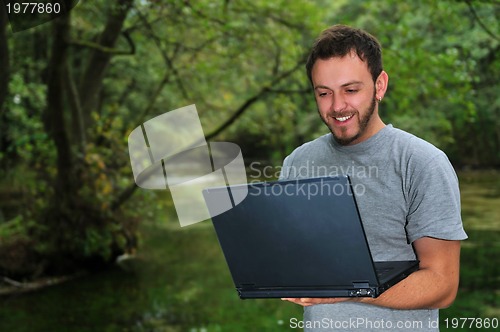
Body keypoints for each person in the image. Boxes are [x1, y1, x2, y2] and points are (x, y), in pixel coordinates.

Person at [279, 25, 467, 331]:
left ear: (380, 86)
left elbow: (443, 284)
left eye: (351, 90)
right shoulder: (298, 162)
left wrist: (353, 289)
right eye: (324, 93)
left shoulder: (422, 162)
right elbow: (293, 260)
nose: (337, 106)